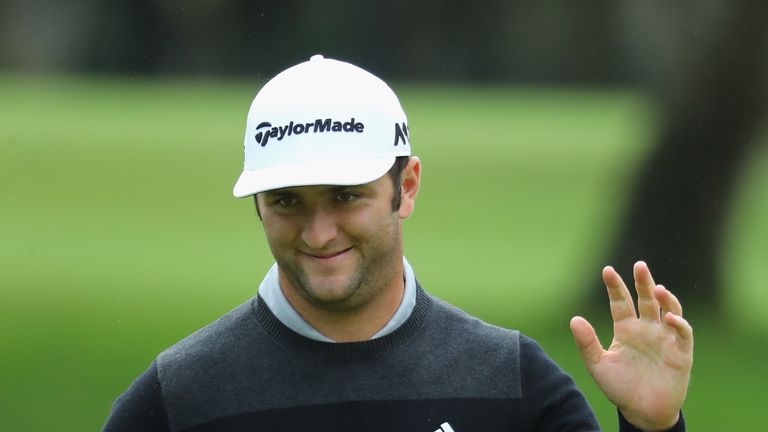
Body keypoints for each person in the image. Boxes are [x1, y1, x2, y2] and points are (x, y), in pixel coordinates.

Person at [103, 55, 693, 432]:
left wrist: (654, 430)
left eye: (344, 197)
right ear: (258, 204)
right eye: (287, 202)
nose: (318, 232)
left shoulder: (511, 384)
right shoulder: (178, 399)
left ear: (405, 187)